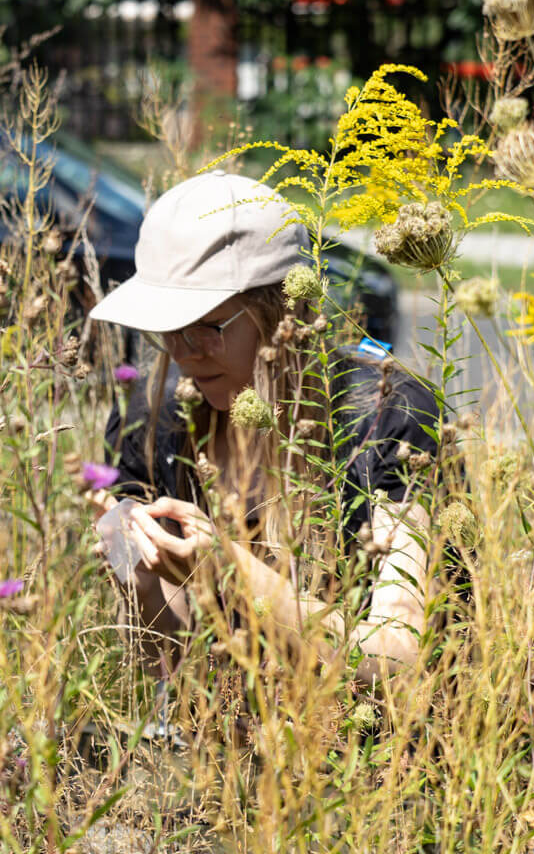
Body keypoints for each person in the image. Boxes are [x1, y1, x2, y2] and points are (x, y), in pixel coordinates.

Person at [88, 171, 460, 696]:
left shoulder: (389, 419)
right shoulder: (157, 415)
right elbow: (178, 665)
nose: (183, 351)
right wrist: (138, 571)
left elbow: (396, 660)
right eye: (167, 328)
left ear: (282, 309)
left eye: (207, 325)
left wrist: (231, 571)